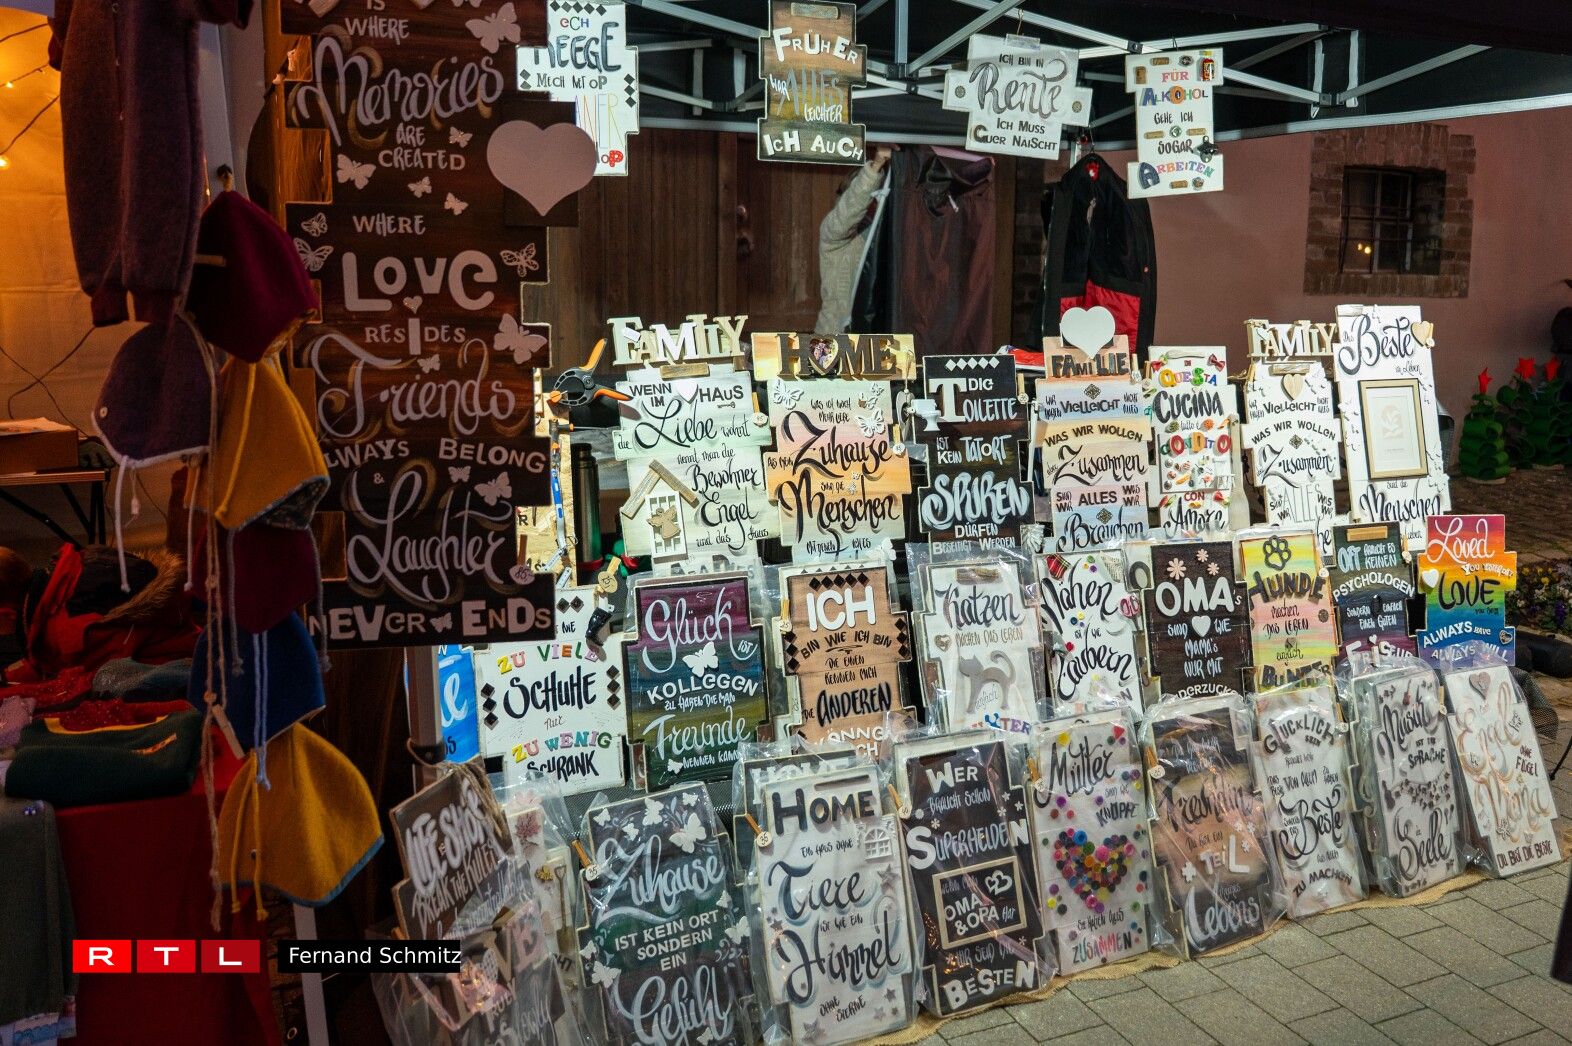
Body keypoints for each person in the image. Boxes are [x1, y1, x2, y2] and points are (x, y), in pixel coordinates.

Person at [814, 146, 893, 334]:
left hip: (870, 340)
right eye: (872, 197)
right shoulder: (833, 233)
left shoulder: (886, 234)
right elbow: (849, 211)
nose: (874, 203)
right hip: (833, 338)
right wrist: (874, 169)